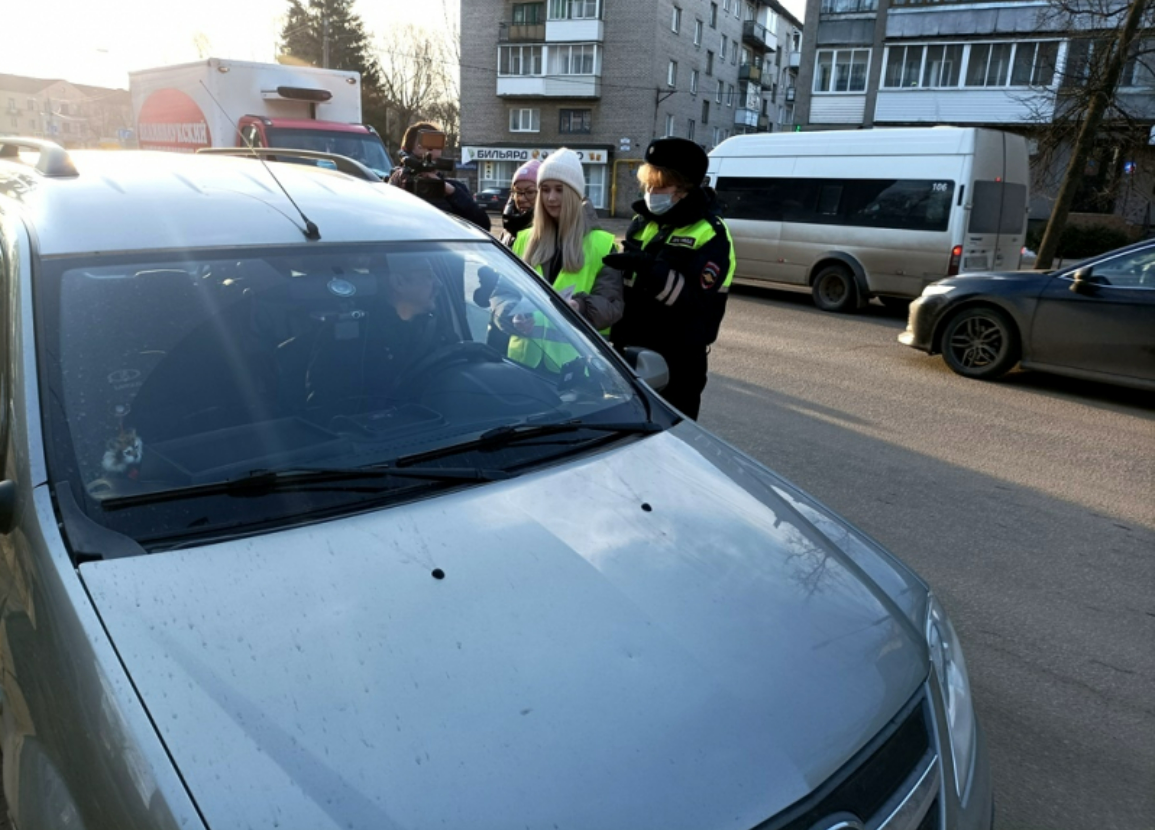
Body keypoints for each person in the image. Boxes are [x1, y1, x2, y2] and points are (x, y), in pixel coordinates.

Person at [603, 137, 735, 420]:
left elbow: (694, 301)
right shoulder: (643, 222)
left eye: (659, 185)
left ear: (685, 188)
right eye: (648, 185)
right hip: (631, 350)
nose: (651, 192)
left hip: (677, 361)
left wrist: (649, 268)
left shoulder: (711, 233)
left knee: (671, 442)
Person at [496, 148, 624, 374]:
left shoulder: (603, 244)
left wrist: (581, 307)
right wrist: (509, 314)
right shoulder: (523, 239)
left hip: (578, 368)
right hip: (523, 364)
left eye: (559, 190)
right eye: (544, 190)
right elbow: (501, 293)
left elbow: (612, 305)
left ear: (576, 195)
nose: (551, 198)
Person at [388, 122, 491, 232]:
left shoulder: (453, 189)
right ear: (407, 153)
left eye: (434, 162)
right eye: (421, 160)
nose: (430, 150)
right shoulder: (397, 184)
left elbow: (483, 225)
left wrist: (451, 192)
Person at [497, 158, 541, 247]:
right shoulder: (507, 231)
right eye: (517, 192)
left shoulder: (549, 233)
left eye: (530, 192)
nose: (521, 199)